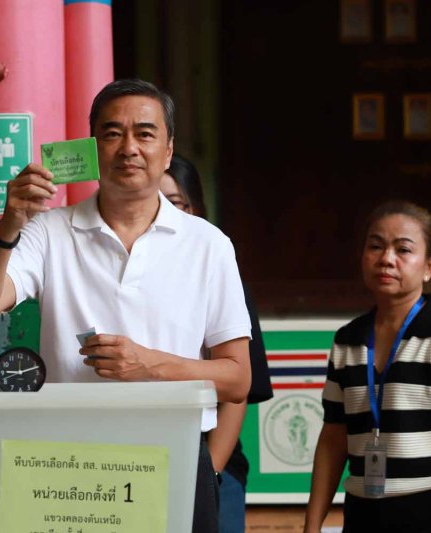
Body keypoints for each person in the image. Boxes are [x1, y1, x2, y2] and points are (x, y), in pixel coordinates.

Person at [0, 79, 252, 533]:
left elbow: (237, 378)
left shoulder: (209, 245)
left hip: (172, 450)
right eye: (112, 134)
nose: (129, 147)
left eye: (145, 134)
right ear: (92, 148)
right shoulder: (50, 231)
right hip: (69, 461)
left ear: (168, 151)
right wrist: (11, 221)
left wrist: (148, 365)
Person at [304, 201, 431, 532]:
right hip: (363, 513)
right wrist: (311, 524)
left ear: (429, 266)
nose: (386, 258)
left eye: (403, 250)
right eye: (375, 246)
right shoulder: (348, 340)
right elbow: (334, 437)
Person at [161, 154, 273, 533]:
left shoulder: (219, 271)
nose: (162, 213)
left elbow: (237, 392)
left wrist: (209, 471)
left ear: (197, 208)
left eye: (175, 203)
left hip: (209, 462)